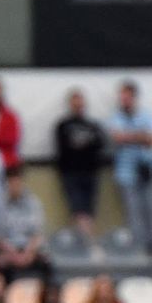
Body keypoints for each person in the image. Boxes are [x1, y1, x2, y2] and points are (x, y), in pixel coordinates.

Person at [108, 80, 152, 256]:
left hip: (147, 169)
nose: (124, 101)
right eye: (122, 98)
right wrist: (140, 135)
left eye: (127, 97)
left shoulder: (147, 115)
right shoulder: (116, 117)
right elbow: (117, 137)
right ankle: (138, 250)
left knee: (150, 210)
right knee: (133, 212)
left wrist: (130, 136)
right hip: (126, 172)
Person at [53, 89, 106, 244]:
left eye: (80, 102)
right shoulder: (63, 125)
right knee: (77, 209)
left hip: (90, 172)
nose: (78, 106)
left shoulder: (92, 125)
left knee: (90, 210)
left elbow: (99, 144)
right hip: (71, 173)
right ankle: (84, 241)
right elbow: (63, 148)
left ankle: (87, 241)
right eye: (75, 102)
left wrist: (82, 144)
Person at [0, 167, 51, 281]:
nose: (15, 185)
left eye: (17, 181)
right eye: (11, 182)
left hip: (30, 250)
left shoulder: (34, 203)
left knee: (47, 261)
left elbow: (39, 234)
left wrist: (28, 253)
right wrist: (13, 254)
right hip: (8, 251)